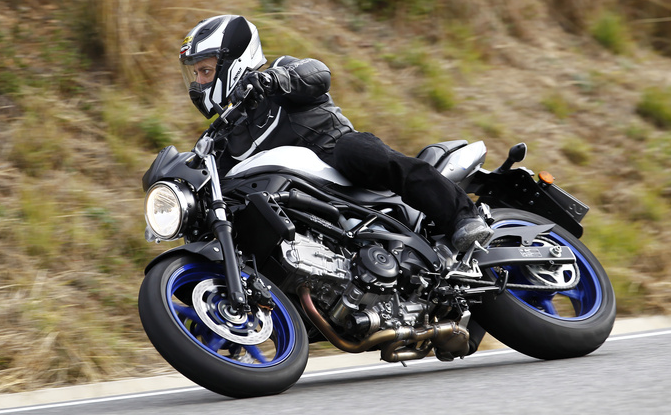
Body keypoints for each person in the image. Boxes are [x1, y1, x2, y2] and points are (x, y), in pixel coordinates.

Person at [179, 14, 493, 252]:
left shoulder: (279, 74)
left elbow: (318, 74)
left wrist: (274, 80)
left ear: (233, 62)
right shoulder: (225, 139)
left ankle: (461, 215)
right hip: (297, 203)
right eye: (195, 74)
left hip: (336, 155)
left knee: (355, 150)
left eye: (205, 71)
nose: (198, 83)